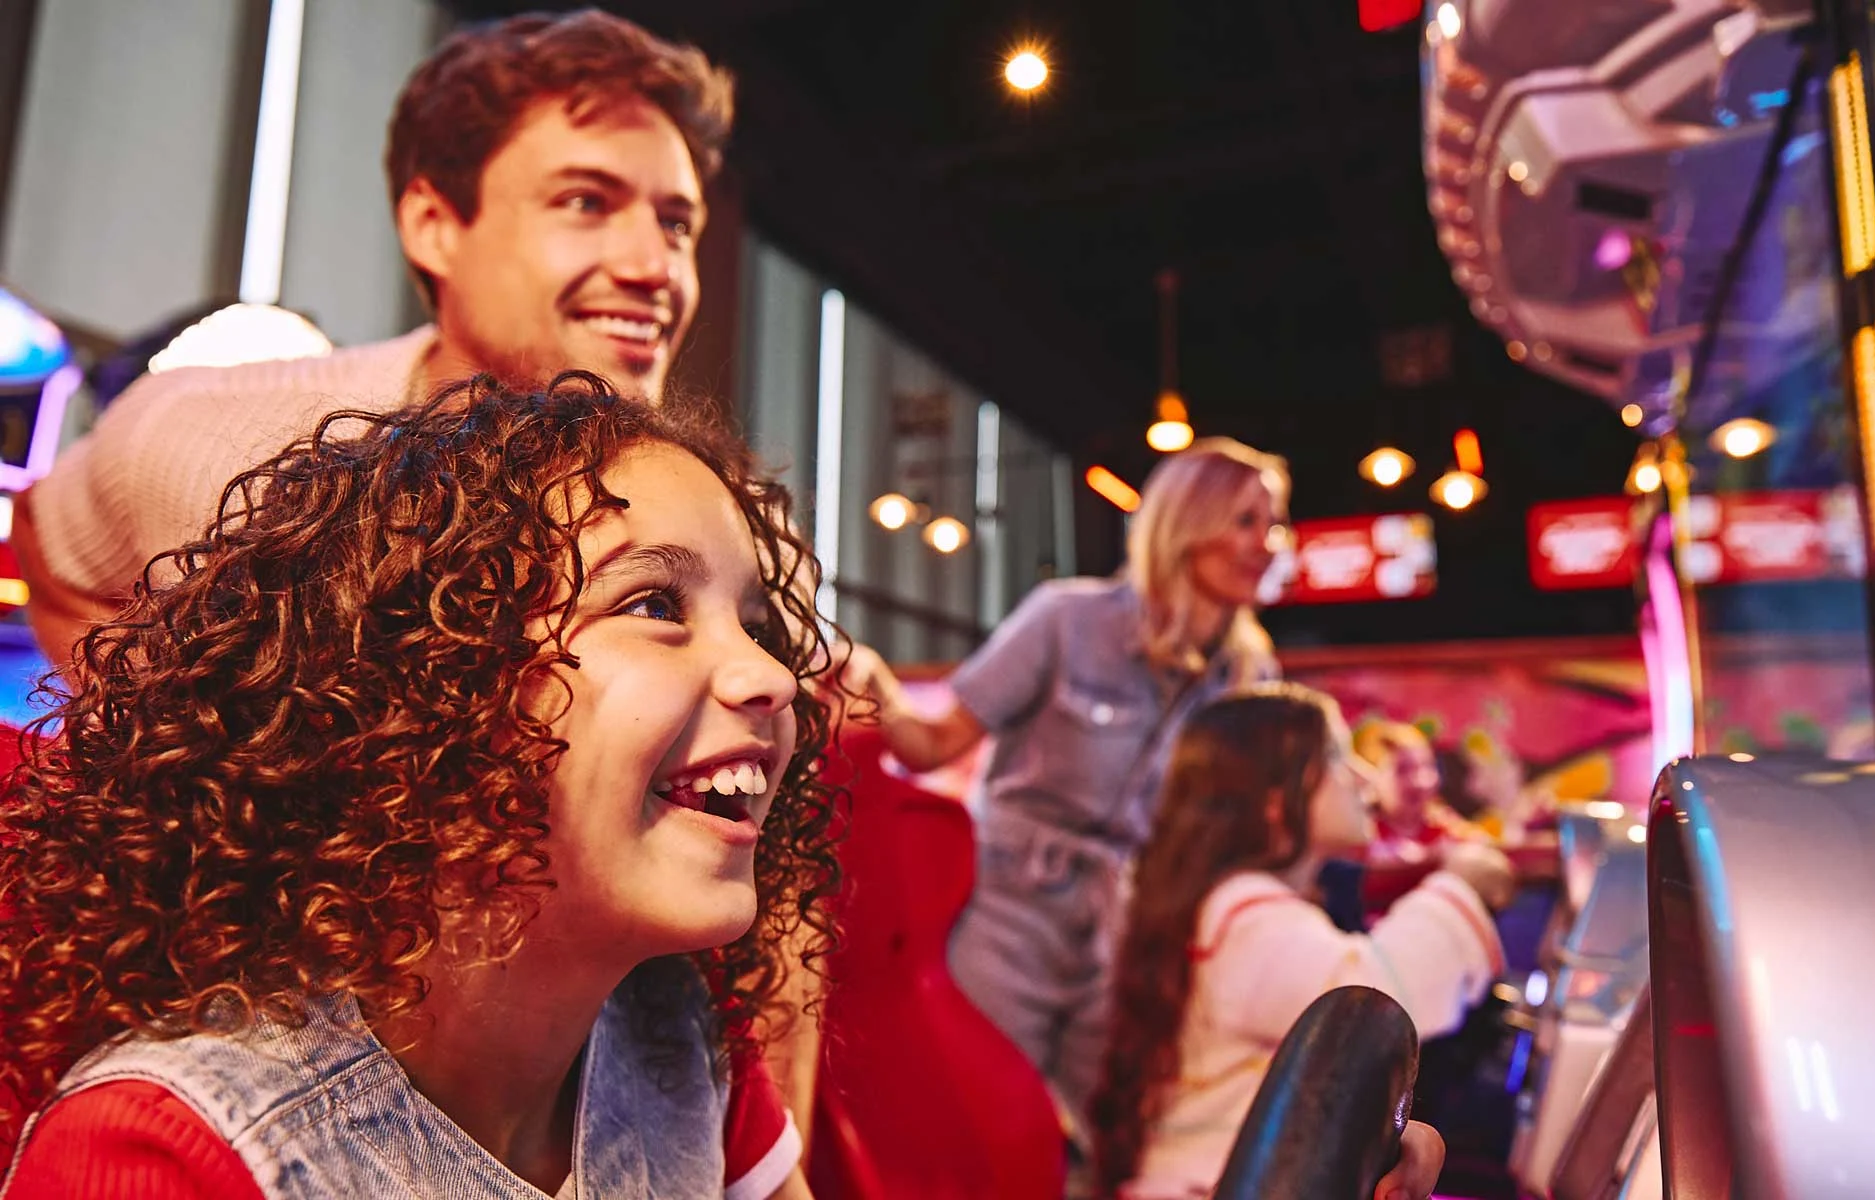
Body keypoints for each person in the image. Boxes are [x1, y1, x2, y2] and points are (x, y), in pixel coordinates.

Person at [0, 374, 837, 1199]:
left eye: (758, 626)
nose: (772, 676)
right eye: (655, 605)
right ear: (425, 691)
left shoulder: (679, 1032)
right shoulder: (164, 1156)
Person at [15, 9, 730, 664]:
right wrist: (162, 757)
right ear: (435, 227)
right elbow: (53, 552)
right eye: (585, 202)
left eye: (676, 224)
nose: (653, 267)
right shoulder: (217, 439)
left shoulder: (706, 512)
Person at [839, 437, 1290, 1123]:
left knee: (1100, 1132)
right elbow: (932, 746)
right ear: (1185, 522)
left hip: (1126, 921)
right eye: (1246, 520)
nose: (1268, 543)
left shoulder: (1248, 674)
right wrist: (868, 680)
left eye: (1274, 522)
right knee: (976, 1109)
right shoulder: (1066, 618)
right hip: (1009, 903)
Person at [1090, 683, 1515, 1200]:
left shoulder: (1219, 907)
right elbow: (1370, 1005)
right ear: (1275, 802)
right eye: (1336, 758)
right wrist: (1465, 883)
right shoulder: (1241, 915)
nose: (1362, 777)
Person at [1354, 720, 1487, 866]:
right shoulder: (1360, 837)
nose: (1420, 781)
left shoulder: (1448, 831)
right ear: (1372, 777)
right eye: (1403, 770)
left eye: (1427, 766)